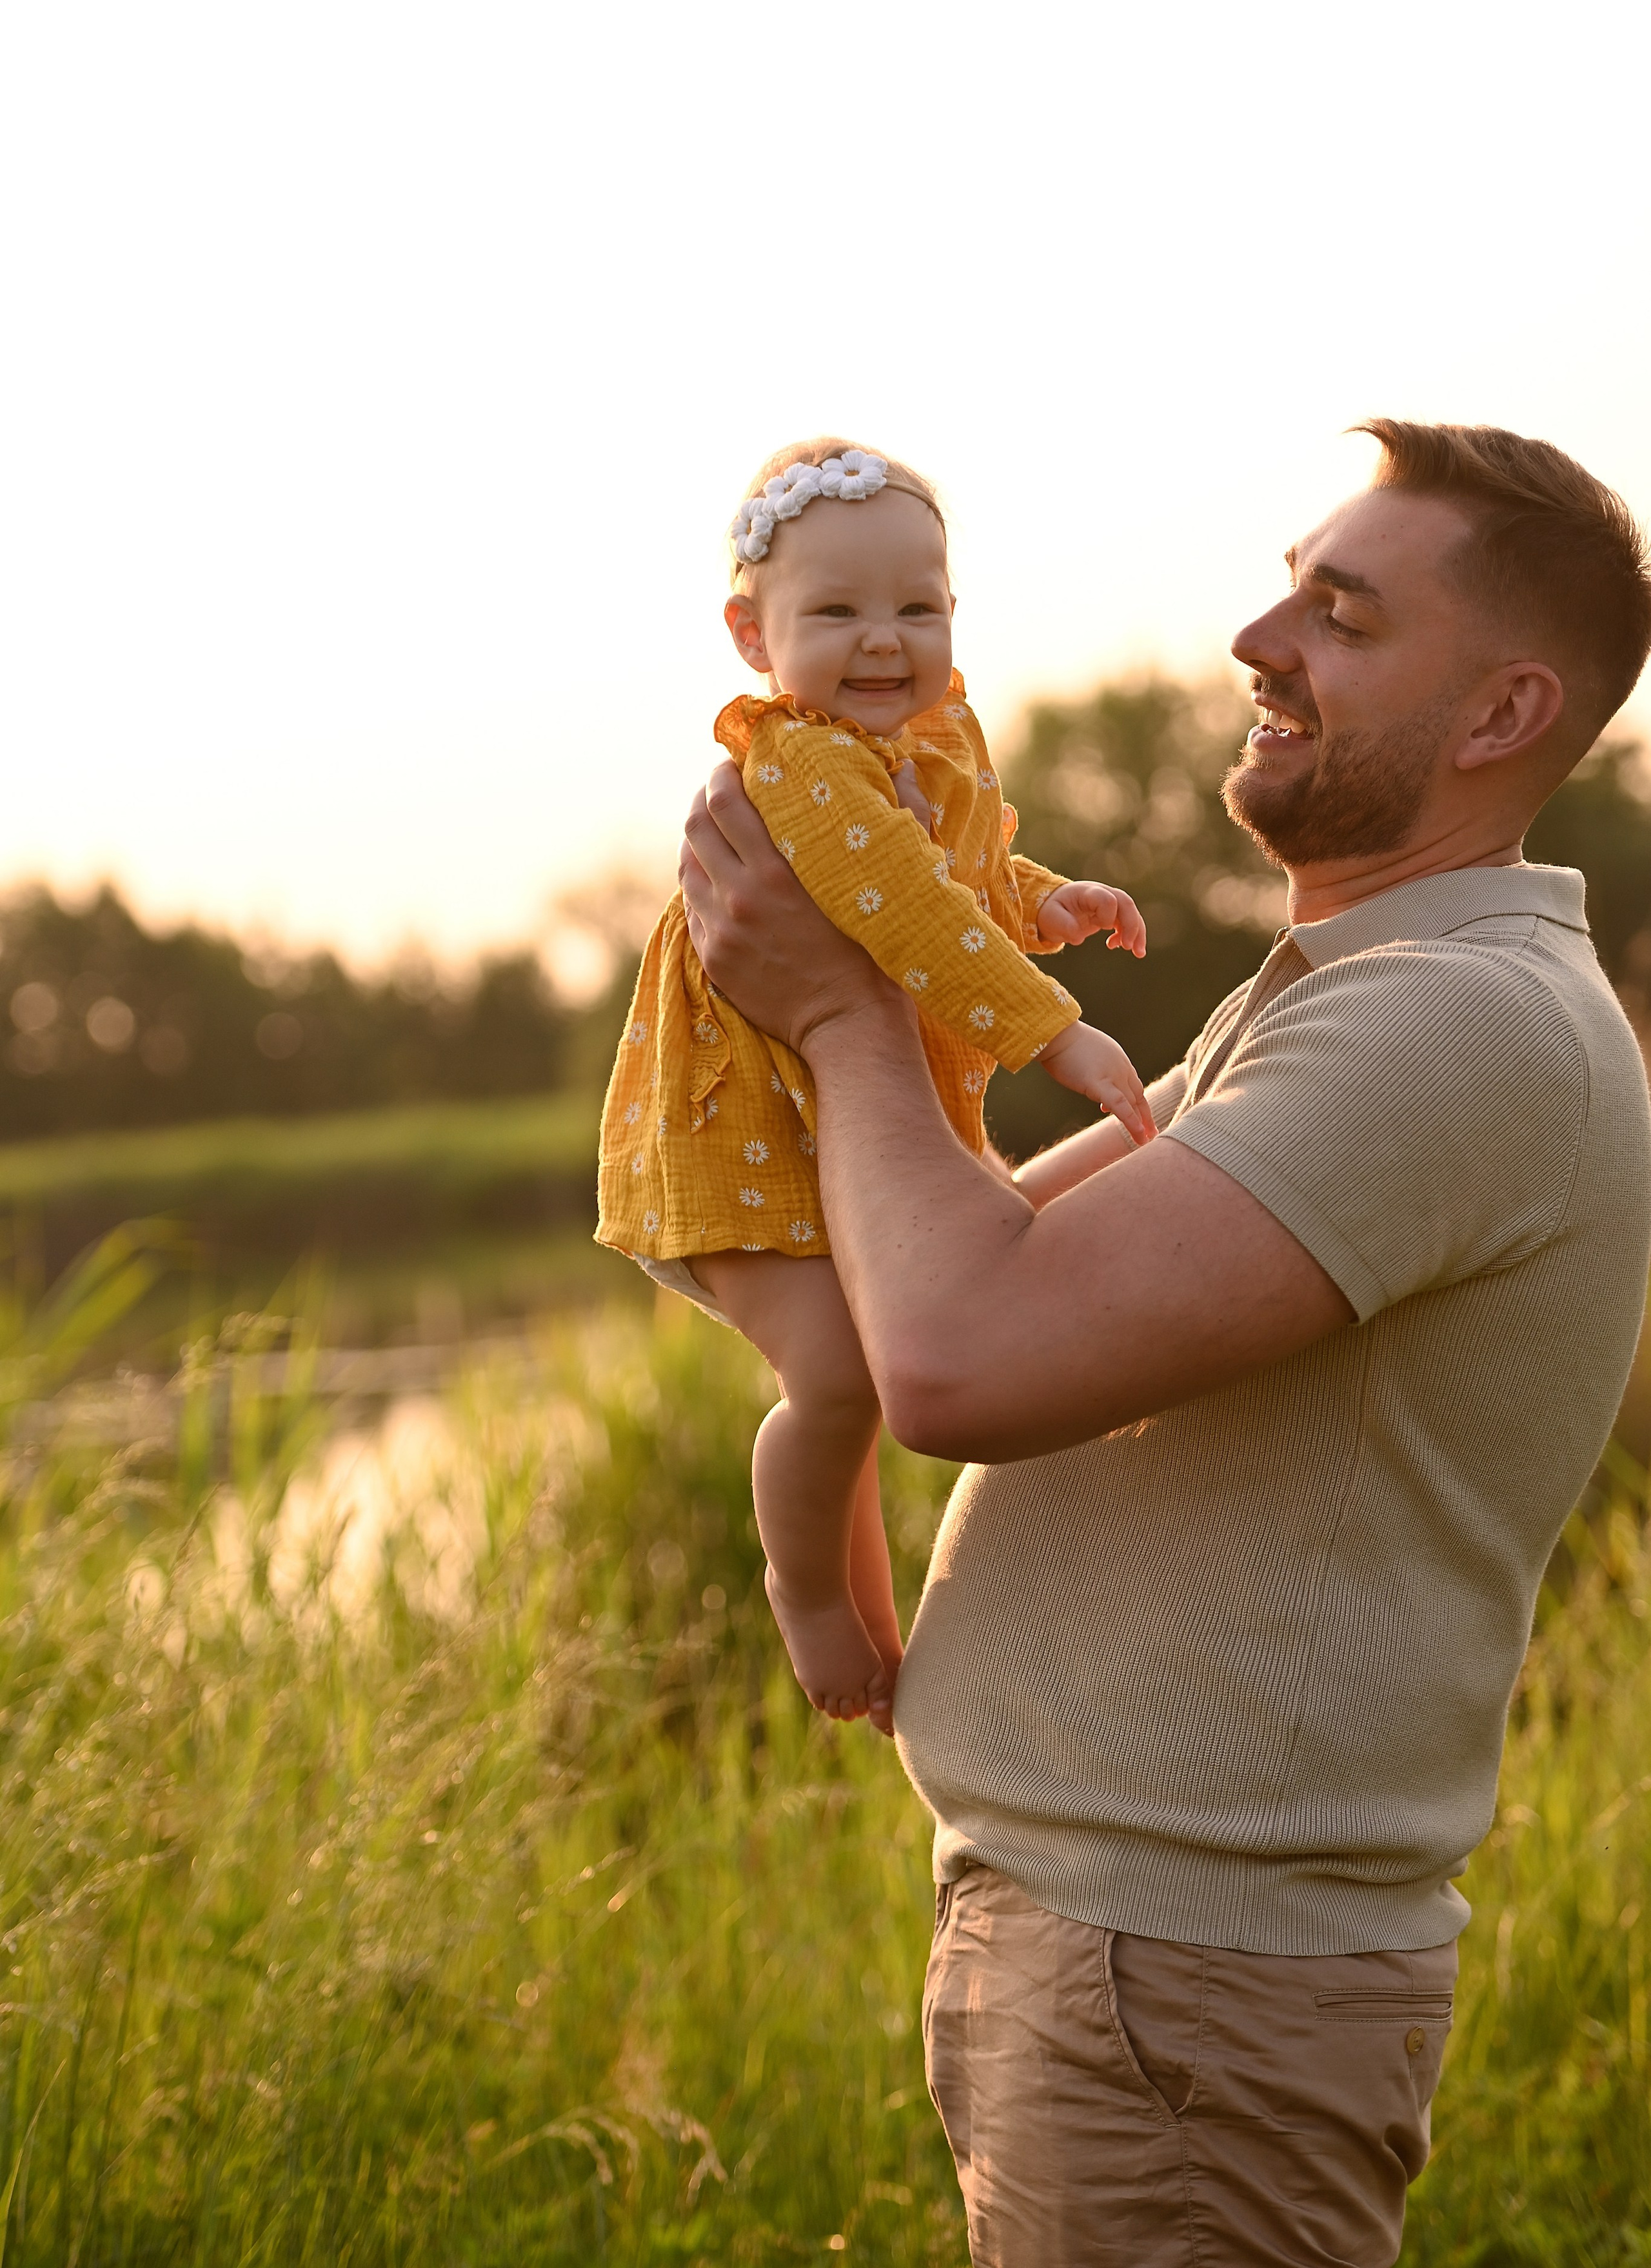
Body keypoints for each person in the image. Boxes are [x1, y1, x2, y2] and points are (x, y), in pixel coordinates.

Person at [676, 419, 1651, 2267]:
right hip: (1130, 1967)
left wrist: (845, 1006)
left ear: (1505, 709)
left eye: (1341, 615)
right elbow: (933, 1263)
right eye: (1291, 583)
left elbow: (956, 1360)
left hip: (1186, 1988)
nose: (1256, 639)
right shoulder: (1347, 999)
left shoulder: (1453, 1030)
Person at [597, 438, 1152, 1734]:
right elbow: (899, 907)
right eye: (834, 612)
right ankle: (803, 1599)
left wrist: (1038, 901)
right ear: (752, 635)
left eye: (916, 606)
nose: (883, 641)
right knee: (838, 1380)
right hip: (737, 1129)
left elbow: (949, 879)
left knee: (850, 1375)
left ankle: (872, 1628)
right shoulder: (799, 759)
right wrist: (1048, 1032)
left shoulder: (933, 737)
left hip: (820, 1124)